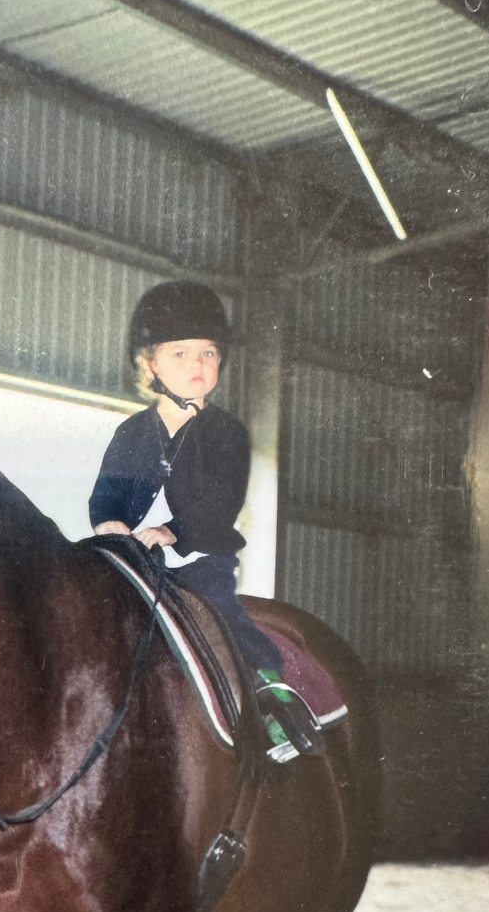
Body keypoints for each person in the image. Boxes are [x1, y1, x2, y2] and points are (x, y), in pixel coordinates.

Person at [89, 280, 320, 761]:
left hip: (198, 560)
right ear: (149, 364)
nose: (197, 365)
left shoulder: (226, 434)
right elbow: (107, 491)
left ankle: (276, 701)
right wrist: (108, 522)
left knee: (225, 620)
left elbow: (222, 503)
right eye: (181, 354)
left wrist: (176, 533)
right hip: (133, 561)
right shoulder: (130, 433)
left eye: (208, 354)